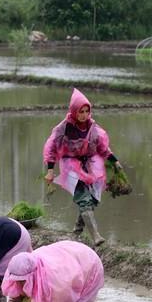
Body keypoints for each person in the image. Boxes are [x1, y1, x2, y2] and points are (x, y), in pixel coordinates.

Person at [43, 88, 123, 245]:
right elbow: (51, 149)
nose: (84, 114)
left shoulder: (93, 128)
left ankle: (77, 229)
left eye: (87, 111)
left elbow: (103, 148)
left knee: (93, 199)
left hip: (90, 164)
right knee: (83, 200)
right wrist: (50, 171)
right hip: (70, 165)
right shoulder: (63, 129)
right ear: (74, 111)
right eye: (81, 111)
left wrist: (115, 162)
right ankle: (96, 236)